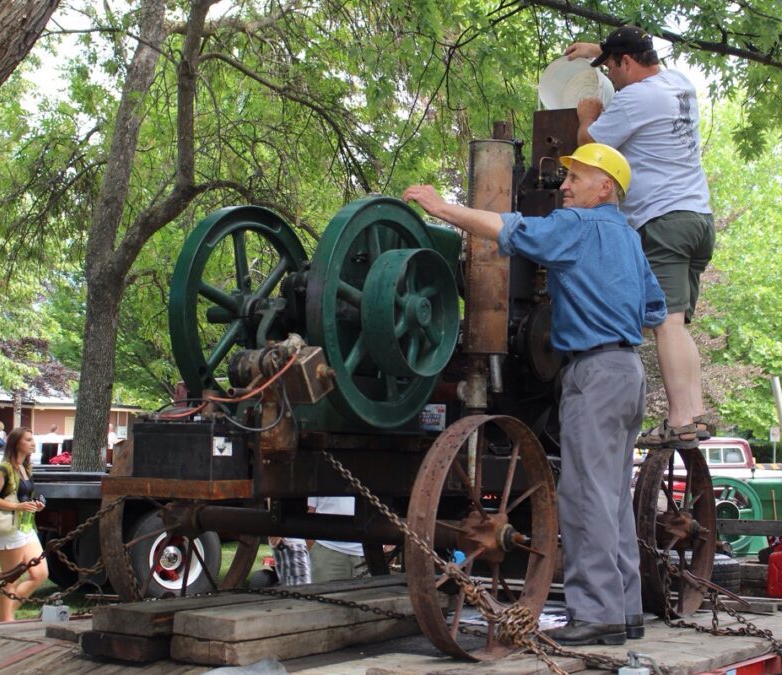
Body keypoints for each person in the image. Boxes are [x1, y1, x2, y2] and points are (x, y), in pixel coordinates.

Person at [403, 143, 665, 646]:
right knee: (611, 496)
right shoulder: (630, 240)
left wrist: (443, 209)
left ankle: (596, 616)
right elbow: (654, 309)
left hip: (592, 370)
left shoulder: (577, 227)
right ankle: (626, 611)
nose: (564, 186)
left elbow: (512, 230)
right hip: (628, 371)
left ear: (604, 187)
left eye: (576, 177)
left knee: (584, 496)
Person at [566, 26, 716, 449]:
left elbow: (589, 151)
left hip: (662, 220)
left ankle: (679, 419)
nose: (611, 77)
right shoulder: (678, 83)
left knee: (665, 324)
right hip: (697, 219)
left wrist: (586, 116)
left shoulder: (633, 99)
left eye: (611, 67)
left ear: (626, 63)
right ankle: (695, 413)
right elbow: (637, 63)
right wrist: (600, 50)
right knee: (677, 324)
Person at [0, 426, 49, 621]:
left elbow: (23, 496)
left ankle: (5, 615)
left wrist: (34, 505)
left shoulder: (24, 468)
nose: (32, 443)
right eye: (28, 440)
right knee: (11, 577)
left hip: (26, 527)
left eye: (32, 439)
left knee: (40, 574)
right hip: (8, 528)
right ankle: (5, 620)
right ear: (16, 443)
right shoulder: (3, 470)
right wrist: (18, 507)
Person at [307, 496, 366, 582]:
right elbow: (310, 510)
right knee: (325, 594)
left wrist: (388, 546)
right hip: (326, 548)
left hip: (371, 550)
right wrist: (311, 544)